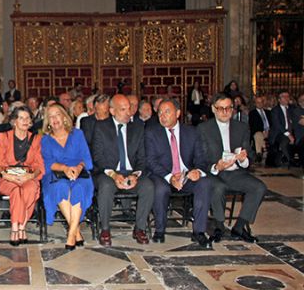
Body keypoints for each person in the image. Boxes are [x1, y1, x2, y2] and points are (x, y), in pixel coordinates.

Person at [198, 93, 266, 243]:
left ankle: (239, 227)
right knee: (218, 188)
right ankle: (219, 226)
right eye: (221, 108)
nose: (225, 112)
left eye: (228, 108)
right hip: (213, 173)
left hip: (235, 173)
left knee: (259, 187)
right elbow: (200, 158)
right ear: (213, 109)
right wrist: (216, 166)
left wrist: (243, 160)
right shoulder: (204, 128)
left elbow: (249, 155)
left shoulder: (241, 128)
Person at [145, 99, 212, 247]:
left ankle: (199, 232)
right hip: (162, 175)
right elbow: (151, 161)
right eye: (160, 113)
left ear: (178, 113)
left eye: (167, 112)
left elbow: (201, 159)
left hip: (185, 175)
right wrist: (170, 178)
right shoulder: (152, 133)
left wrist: (197, 172)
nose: (162, 116)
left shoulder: (192, 132)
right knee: (160, 189)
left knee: (204, 183)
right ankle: (160, 230)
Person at [91, 94, 154, 246]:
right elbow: (97, 157)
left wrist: (135, 174)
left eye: (130, 108)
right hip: (108, 173)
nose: (128, 112)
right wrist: (114, 175)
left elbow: (142, 158)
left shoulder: (137, 128)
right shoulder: (101, 127)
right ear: (112, 111)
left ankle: (139, 228)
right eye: (123, 109)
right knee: (106, 187)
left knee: (148, 186)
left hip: (131, 172)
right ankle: (105, 229)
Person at [41, 103, 93, 250]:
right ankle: (75, 232)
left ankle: (71, 233)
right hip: (55, 174)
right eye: (50, 117)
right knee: (60, 187)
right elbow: (47, 162)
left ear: (64, 116)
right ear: (48, 121)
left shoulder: (77, 134)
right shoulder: (45, 140)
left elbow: (86, 158)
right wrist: (64, 168)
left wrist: (77, 167)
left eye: (57, 114)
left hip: (79, 172)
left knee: (79, 187)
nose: (54, 119)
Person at [0, 106, 44, 245]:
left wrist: (30, 176)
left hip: (28, 176)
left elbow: (39, 165)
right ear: (14, 121)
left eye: (28, 118)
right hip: (8, 177)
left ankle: (20, 226)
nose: (25, 121)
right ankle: (16, 228)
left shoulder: (36, 139)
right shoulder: (4, 137)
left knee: (30, 189)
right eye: (21, 118)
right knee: (16, 191)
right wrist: (8, 176)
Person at [268, 90, 294, 166]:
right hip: (279, 133)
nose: (286, 98)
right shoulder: (275, 110)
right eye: (284, 97)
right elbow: (277, 125)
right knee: (284, 141)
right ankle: (290, 160)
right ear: (279, 100)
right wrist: (289, 135)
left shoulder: (292, 109)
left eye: (287, 96)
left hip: (291, 132)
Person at [248, 95, 271, 162]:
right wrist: (263, 131)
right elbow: (253, 126)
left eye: (261, 102)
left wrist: (268, 131)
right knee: (258, 135)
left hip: (270, 131)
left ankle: (264, 151)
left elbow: (272, 124)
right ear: (255, 103)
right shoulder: (252, 113)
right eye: (258, 102)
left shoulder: (268, 112)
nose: (260, 104)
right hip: (259, 131)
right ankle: (259, 153)